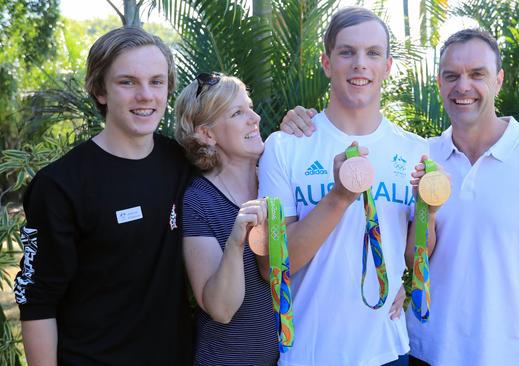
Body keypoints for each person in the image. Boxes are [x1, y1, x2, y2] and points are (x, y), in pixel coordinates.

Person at [281, 28, 519, 366]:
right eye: (451, 76)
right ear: (439, 84)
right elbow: (405, 248)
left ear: (499, 80)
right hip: (421, 353)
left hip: (510, 357)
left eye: (477, 74)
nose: (463, 86)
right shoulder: (418, 155)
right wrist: (305, 121)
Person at [258, 7, 431, 366]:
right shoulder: (286, 146)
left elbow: (418, 255)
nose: (360, 64)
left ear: (388, 67)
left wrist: (430, 212)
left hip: (389, 350)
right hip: (308, 353)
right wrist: (339, 197)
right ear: (326, 62)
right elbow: (273, 267)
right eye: (347, 52)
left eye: (373, 53)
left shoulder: (414, 150)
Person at [12, 27, 193, 365]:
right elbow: (38, 301)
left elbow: (242, 156)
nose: (145, 95)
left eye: (156, 82)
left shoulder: (182, 162)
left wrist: (294, 127)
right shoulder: (60, 186)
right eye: (128, 82)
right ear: (99, 90)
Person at [174, 72, 278, 365]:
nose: (254, 118)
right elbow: (220, 309)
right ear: (207, 134)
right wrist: (235, 243)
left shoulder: (276, 181)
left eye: (250, 106)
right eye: (237, 112)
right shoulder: (199, 200)